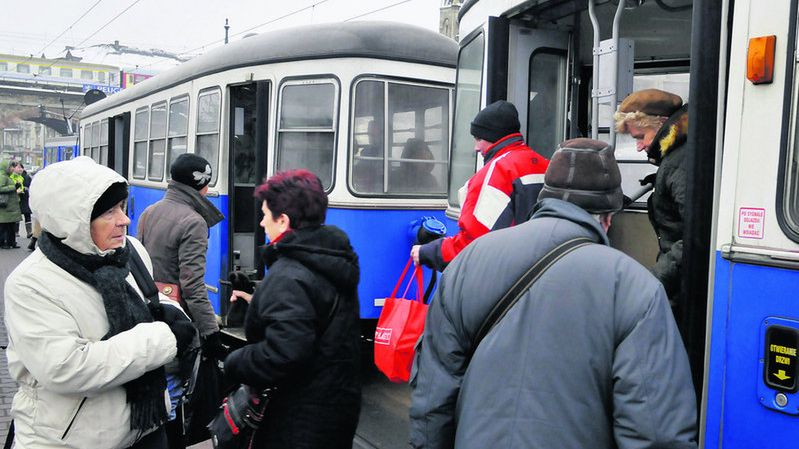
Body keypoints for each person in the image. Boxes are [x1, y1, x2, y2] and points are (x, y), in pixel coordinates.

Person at [409, 138, 697, 449]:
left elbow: (433, 399)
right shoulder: (636, 289)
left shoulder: (467, 263)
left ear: (545, 198)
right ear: (609, 215)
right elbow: (655, 433)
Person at [3, 156, 196, 449]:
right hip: (69, 441)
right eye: (109, 212)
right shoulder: (31, 283)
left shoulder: (131, 252)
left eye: (122, 206)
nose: (125, 220)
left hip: (146, 428)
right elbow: (67, 367)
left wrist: (173, 313)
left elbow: (150, 302)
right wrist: (164, 338)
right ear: (73, 220)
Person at [224, 169, 361, 449]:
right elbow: (315, 315)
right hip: (336, 406)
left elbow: (285, 353)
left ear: (283, 221)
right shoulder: (331, 256)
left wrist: (235, 362)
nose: (262, 222)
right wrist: (260, 301)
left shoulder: (288, 274)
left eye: (265, 215)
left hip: (297, 419)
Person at [411, 100, 549, 271]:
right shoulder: (545, 165)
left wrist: (427, 252)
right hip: (540, 270)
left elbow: (471, 245)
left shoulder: (496, 173)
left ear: (494, 136)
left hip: (507, 275)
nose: (476, 148)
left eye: (478, 139)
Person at [138, 153, 224, 354]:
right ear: (201, 185)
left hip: (150, 308)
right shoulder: (194, 222)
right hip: (178, 318)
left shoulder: (149, 212)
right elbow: (192, 284)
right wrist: (210, 331)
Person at [614, 88, 687, 304]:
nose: (639, 148)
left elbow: (693, 236)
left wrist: (657, 279)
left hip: (682, 283)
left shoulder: (679, 164)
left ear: (661, 124)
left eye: (640, 137)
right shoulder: (677, 157)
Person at [0, 159, 22, 249]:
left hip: (10, 207)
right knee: (4, 226)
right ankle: (4, 243)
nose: (13, 169)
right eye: (11, 166)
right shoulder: (2, 176)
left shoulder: (7, 176)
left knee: (11, 226)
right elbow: (0, 188)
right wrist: (13, 187)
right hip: (5, 206)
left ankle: (11, 242)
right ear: (6, 167)